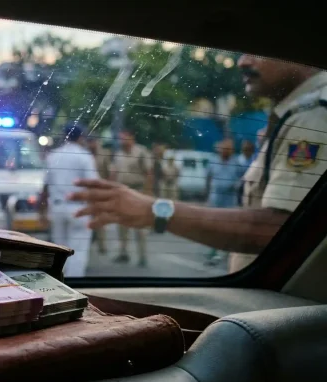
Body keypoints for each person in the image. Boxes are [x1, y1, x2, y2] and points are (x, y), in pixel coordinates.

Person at [69, 55, 327, 274]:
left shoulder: (315, 116)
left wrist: (154, 210)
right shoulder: (294, 115)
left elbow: (280, 228)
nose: (243, 62)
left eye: (256, 50)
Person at [41, 123, 99, 277]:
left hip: (57, 207)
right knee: (78, 251)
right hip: (78, 209)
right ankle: (75, 286)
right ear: (81, 137)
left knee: (60, 251)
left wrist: (41, 211)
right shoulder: (85, 156)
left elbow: (45, 186)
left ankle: (59, 285)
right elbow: (93, 185)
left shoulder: (53, 156)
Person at [109, 129, 153, 267]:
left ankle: (142, 256)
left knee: (139, 225)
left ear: (131, 138)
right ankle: (124, 253)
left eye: (124, 138)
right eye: (121, 138)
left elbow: (149, 173)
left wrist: (146, 194)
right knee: (122, 225)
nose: (122, 140)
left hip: (137, 191)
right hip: (122, 191)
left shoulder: (141, 152)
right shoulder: (118, 154)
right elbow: (114, 174)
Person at [205, 138, 246, 264]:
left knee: (228, 225)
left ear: (232, 151)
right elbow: (208, 177)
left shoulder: (236, 162)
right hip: (216, 198)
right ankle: (213, 250)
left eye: (228, 150)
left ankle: (228, 250)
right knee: (214, 225)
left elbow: (243, 177)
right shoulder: (213, 161)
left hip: (230, 199)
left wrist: (237, 186)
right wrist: (206, 194)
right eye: (223, 149)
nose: (225, 152)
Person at [87, 136, 111, 254]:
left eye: (94, 142)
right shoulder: (85, 155)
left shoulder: (104, 155)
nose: (92, 144)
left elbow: (109, 173)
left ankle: (102, 245)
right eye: (90, 142)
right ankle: (89, 244)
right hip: (87, 193)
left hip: (100, 192)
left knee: (100, 219)